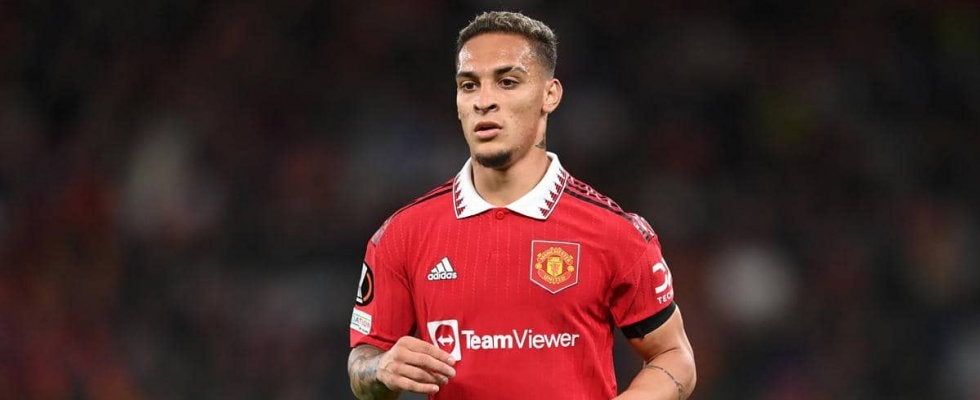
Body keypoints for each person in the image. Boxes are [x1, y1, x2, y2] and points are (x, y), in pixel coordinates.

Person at [347, 11, 696, 400]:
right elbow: (363, 360)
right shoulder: (403, 234)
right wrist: (380, 367)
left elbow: (673, 355)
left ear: (550, 95)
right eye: (469, 85)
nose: (484, 101)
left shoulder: (615, 232)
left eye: (507, 82)